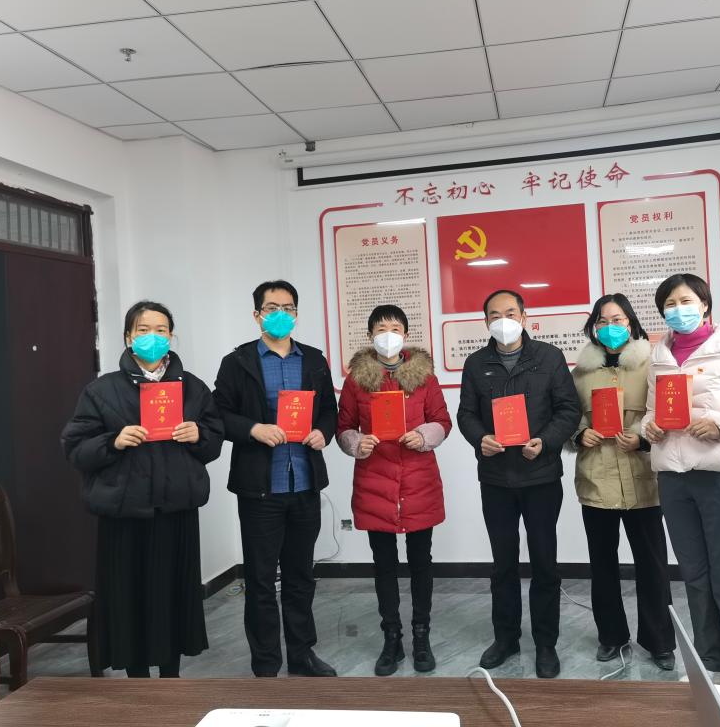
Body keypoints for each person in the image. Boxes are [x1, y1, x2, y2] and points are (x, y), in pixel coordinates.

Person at [62, 300, 223, 678]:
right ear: (128, 337)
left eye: (161, 330)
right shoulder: (101, 391)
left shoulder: (192, 388)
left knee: (172, 597)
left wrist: (199, 434)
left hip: (176, 511)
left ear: (171, 336)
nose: (153, 337)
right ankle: (136, 679)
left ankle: (171, 675)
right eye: (144, 330)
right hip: (124, 513)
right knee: (128, 598)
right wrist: (113, 441)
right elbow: (75, 448)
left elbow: (214, 443)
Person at [212, 280, 338, 678]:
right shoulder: (237, 362)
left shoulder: (314, 359)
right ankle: (266, 663)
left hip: (304, 482)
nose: (280, 314)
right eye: (271, 308)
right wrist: (253, 429)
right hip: (259, 487)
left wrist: (323, 432)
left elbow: (329, 411)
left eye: (288, 307)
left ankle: (302, 654)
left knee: (301, 576)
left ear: (297, 314)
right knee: (261, 580)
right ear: (257, 315)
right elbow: (218, 414)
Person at [456, 289, 581, 678]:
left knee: (544, 562)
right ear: (486, 322)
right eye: (495, 315)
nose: (503, 320)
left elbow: (568, 409)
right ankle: (506, 638)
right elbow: (465, 413)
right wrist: (480, 438)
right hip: (496, 478)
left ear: (525, 317)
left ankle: (546, 643)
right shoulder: (476, 364)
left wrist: (546, 441)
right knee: (503, 564)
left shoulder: (549, 357)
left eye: (510, 313)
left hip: (540, 475)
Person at [639, 274, 720, 683]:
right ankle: (709, 662)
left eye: (686, 301)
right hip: (674, 475)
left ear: (705, 304)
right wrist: (649, 428)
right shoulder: (659, 354)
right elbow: (651, 410)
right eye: (669, 304)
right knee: (694, 575)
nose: (678, 310)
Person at [336, 304, 452, 676]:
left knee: (421, 562)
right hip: (375, 480)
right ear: (370, 335)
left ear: (406, 334)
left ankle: (421, 635)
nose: (389, 334)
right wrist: (357, 443)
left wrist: (425, 436)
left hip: (418, 480)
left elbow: (442, 420)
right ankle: (392, 638)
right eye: (382, 328)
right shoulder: (356, 381)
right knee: (383, 564)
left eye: (396, 328)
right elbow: (343, 426)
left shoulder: (424, 377)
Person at [568, 294, 675, 671]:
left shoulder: (653, 362)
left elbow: (665, 410)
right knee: (602, 564)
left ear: (631, 323)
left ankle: (659, 641)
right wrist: (580, 434)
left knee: (653, 565)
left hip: (643, 476)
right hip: (596, 478)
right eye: (602, 320)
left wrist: (643, 438)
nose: (610, 327)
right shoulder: (580, 372)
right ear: (593, 327)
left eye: (618, 319)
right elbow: (568, 415)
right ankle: (611, 636)